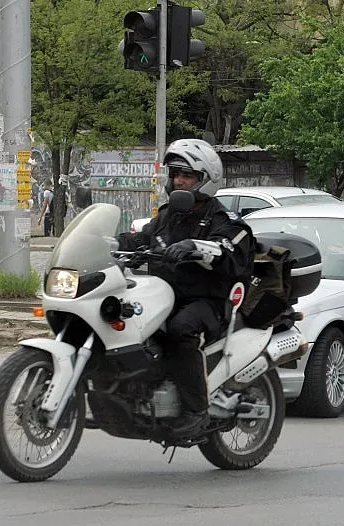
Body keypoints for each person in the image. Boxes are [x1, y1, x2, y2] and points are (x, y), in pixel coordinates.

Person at [116, 138, 255, 437]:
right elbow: (142, 239)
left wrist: (197, 246)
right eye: (175, 173)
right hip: (163, 295)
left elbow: (229, 249)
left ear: (206, 180)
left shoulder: (223, 219)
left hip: (208, 301)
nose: (178, 180)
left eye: (187, 175)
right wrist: (109, 244)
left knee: (180, 329)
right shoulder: (169, 215)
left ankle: (196, 410)